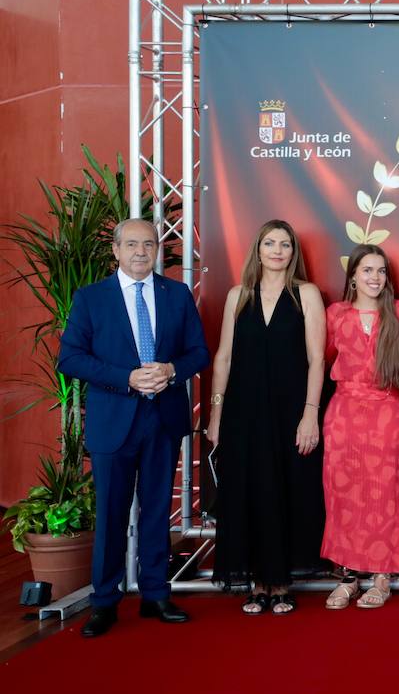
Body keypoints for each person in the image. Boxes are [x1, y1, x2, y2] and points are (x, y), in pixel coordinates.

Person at [58, 218, 210, 638]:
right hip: (114, 422)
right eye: (132, 245)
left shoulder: (177, 295)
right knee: (110, 513)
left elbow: (199, 352)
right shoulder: (91, 298)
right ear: (116, 250)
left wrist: (172, 369)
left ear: (158, 249)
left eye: (149, 244)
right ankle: (104, 601)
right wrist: (125, 376)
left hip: (162, 419)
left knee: (158, 510)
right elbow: (70, 358)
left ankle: (156, 594)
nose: (142, 252)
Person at [207, 219, 327, 615]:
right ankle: (257, 583)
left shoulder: (306, 294)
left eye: (285, 244)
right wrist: (216, 413)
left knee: (286, 490)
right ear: (258, 250)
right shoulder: (237, 295)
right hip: (243, 411)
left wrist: (310, 414)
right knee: (249, 491)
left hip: (291, 409)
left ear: (294, 253)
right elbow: (223, 357)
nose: (278, 250)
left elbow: (316, 360)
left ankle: (280, 584)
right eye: (270, 243)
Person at [320, 245, 399, 610]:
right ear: (353, 276)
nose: (375, 277)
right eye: (367, 270)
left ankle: (381, 575)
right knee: (342, 495)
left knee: (385, 494)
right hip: (344, 413)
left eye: (381, 271)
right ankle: (347, 576)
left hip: (388, 412)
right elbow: (324, 358)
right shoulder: (335, 314)